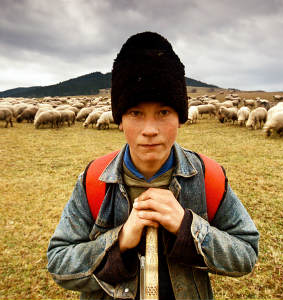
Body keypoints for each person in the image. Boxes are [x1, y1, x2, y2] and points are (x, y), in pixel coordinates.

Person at [47, 31, 259, 300]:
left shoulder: (209, 178)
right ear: (120, 119)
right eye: (136, 113)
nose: (149, 129)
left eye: (163, 112)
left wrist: (186, 227)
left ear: (181, 117)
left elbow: (247, 253)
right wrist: (121, 240)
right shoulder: (93, 182)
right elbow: (58, 262)